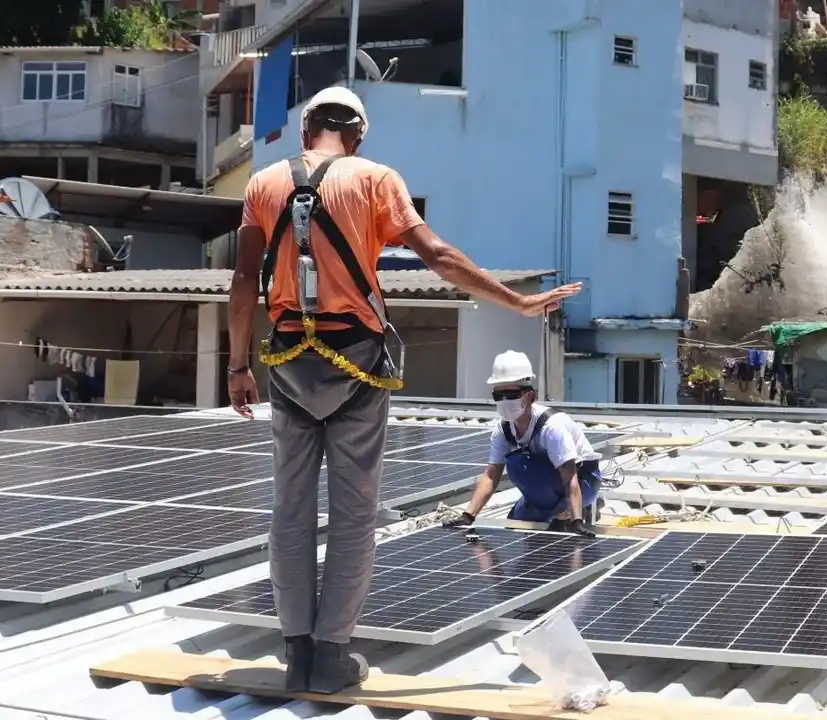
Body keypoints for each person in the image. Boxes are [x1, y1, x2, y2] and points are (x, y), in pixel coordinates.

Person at [225, 86, 582, 696]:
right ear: (357, 135)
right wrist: (517, 302)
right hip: (357, 363)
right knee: (353, 512)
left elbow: (242, 280)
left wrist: (237, 365)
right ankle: (332, 654)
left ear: (306, 130)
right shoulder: (375, 179)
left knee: (290, 507)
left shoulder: (263, 184)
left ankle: (297, 652)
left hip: (287, 362)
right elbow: (436, 254)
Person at [442, 350, 601, 537]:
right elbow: (491, 476)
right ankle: (550, 511)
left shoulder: (551, 427)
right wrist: (468, 515)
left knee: (522, 465)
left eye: (511, 394)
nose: (505, 401)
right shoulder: (503, 429)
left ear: (530, 397)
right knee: (516, 523)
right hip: (545, 481)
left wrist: (576, 521)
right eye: (499, 395)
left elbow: (570, 478)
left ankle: (575, 510)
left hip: (583, 481)